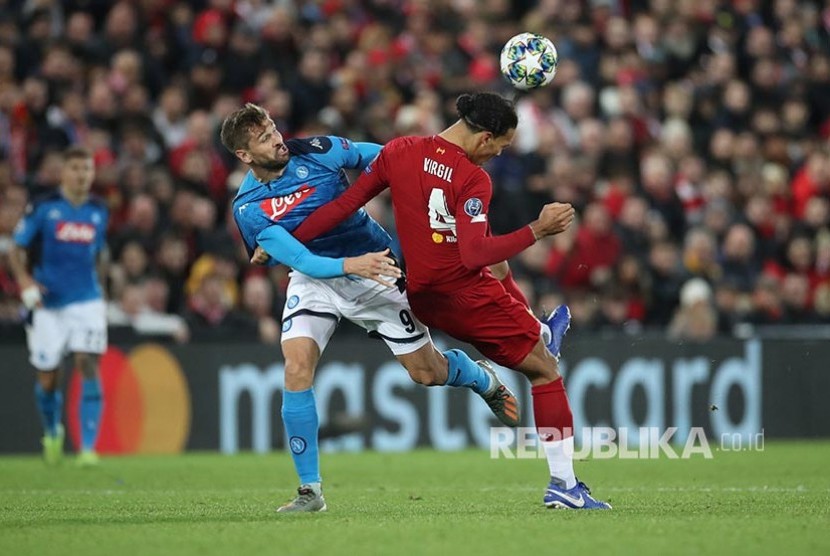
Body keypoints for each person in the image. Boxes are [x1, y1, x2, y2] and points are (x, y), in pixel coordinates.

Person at [290, 92, 612, 510]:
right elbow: (473, 255)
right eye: (501, 145)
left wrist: (286, 242)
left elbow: (344, 206)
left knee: (498, 271)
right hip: (464, 294)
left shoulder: (399, 150)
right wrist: (538, 229)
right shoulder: (474, 178)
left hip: (423, 296)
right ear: (485, 137)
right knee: (545, 373)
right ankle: (564, 486)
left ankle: (538, 330)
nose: (498, 153)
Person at [220, 103, 521, 513]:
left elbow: (384, 156)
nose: (276, 139)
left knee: (426, 373)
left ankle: (477, 376)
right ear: (244, 156)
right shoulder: (249, 208)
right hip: (317, 279)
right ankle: (310, 491)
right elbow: (301, 262)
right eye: (263, 138)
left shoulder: (319, 150)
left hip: (377, 269)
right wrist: (346, 265)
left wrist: (428, 178)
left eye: (273, 128)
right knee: (295, 368)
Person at [9, 146, 109, 466]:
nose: (83, 175)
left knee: (87, 362)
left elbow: (100, 254)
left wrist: (102, 289)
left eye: (88, 169)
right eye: (77, 169)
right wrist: (25, 282)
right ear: (64, 172)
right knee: (49, 376)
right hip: (48, 303)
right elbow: (16, 248)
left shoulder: (98, 210)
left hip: (87, 300)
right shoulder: (44, 207)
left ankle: (88, 448)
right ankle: (52, 431)